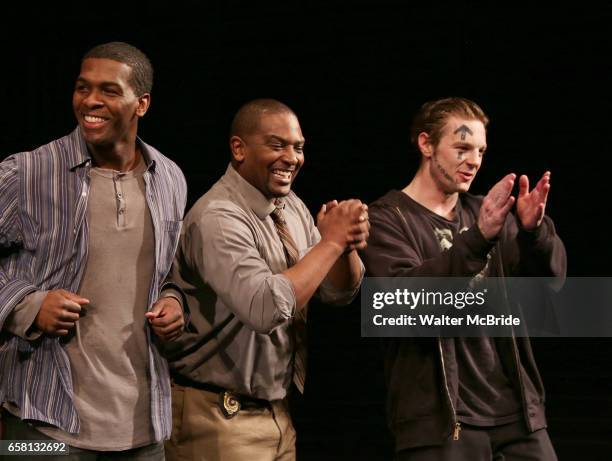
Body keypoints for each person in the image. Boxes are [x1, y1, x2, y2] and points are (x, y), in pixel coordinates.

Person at [0, 42, 187, 459]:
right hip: (42, 427)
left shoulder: (170, 177)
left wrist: (174, 300)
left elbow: (169, 272)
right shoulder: (28, 173)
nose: (90, 101)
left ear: (142, 104)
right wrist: (25, 305)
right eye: (83, 88)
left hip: (145, 430)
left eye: (108, 90)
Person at [361, 97, 566, 460]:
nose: (474, 160)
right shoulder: (386, 219)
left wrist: (535, 233)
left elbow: (551, 282)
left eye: (481, 150)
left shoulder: (487, 213)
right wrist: (478, 238)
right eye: (462, 147)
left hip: (515, 414)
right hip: (442, 422)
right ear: (426, 144)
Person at [164, 98, 368, 461]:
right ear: (239, 148)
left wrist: (345, 246)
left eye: (298, 147)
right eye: (277, 145)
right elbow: (264, 309)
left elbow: (337, 293)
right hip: (218, 419)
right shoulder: (217, 216)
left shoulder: (291, 207)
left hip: (277, 414)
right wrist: (332, 241)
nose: (292, 157)